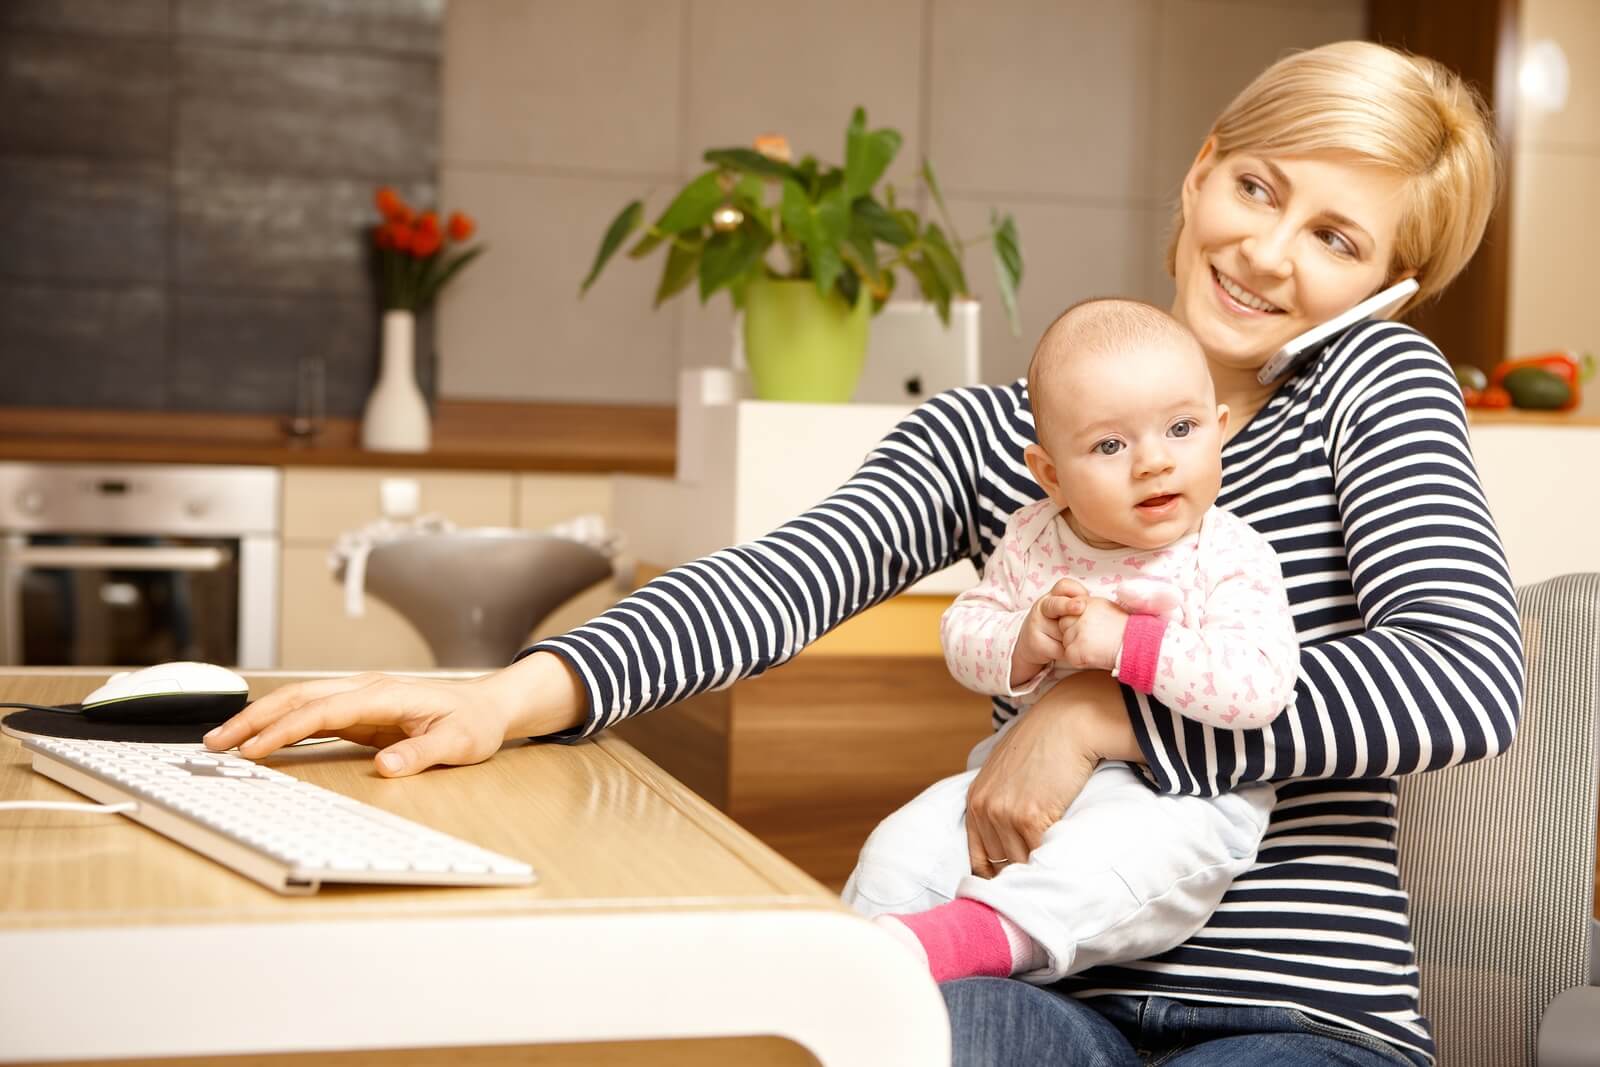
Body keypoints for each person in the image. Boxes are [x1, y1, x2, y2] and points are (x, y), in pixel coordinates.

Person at [206, 40, 1522, 1066]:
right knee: (878, 1028)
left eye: (1337, 239)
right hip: (1035, 979)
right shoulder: (1008, 437)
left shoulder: (1375, 387)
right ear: (1201, 169)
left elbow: (1465, 681)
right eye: (1258, 188)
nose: (1266, 251)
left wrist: (1098, 711)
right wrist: (509, 692)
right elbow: (786, 575)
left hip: (1296, 1016)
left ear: (1390, 289)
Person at [842, 298, 1299, 988]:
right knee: (902, 847)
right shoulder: (1034, 535)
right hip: (1019, 773)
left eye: (1181, 428)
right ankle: (851, 972)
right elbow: (965, 631)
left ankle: (980, 938)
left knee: (1111, 862)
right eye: (1110, 445)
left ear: (1220, 431)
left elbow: (1257, 686)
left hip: (1180, 793)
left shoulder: (1230, 552)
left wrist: (1127, 643)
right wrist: (1023, 638)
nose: (1152, 462)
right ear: (1050, 473)